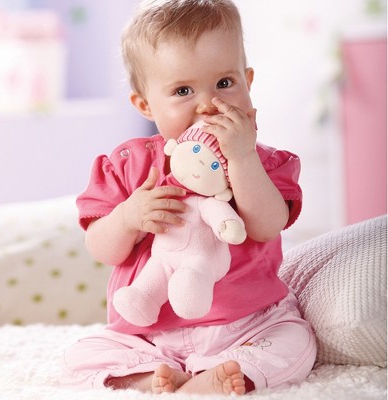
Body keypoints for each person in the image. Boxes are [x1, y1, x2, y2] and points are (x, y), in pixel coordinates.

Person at [61, 0, 317, 395]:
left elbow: (267, 227)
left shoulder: (264, 161)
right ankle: (151, 375)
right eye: (183, 90)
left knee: (295, 340)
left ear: (248, 81)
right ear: (146, 105)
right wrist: (127, 218)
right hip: (149, 332)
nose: (207, 104)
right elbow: (102, 248)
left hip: (245, 324)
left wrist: (242, 158)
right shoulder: (128, 163)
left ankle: (221, 375)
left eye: (225, 83)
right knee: (81, 355)